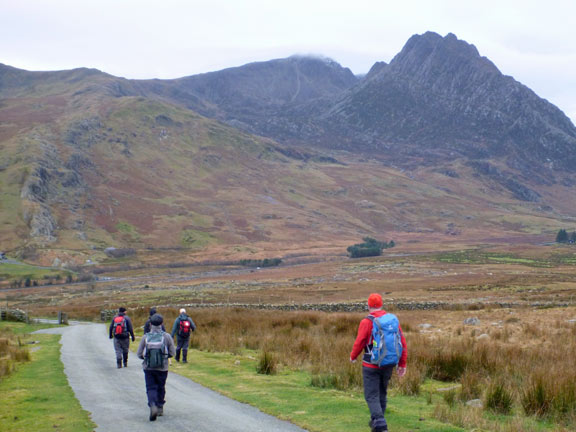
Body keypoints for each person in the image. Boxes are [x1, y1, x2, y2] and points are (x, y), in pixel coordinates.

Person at [350, 293, 408, 432]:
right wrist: (402, 364)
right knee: (382, 393)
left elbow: (360, 342)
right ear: (381, 304)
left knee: (371, 395)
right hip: (389, 363)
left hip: (371, 364)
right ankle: (376, 424)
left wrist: (353, 356)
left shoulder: (367, 321)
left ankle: (381, 425)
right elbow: (402, 342)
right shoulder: (392, 321)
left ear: (369, 305)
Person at [137, 313, 176, 421]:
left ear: (150, 323)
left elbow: (139, 353)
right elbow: (172, 352)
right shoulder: (167, 336)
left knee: (150, 387)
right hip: (162, 368)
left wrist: (145, 359)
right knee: (161, 386)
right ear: (161, 323)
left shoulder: (146, 337)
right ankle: (160, 407)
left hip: (148, 368)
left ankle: (152, 404)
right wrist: (165, 357)